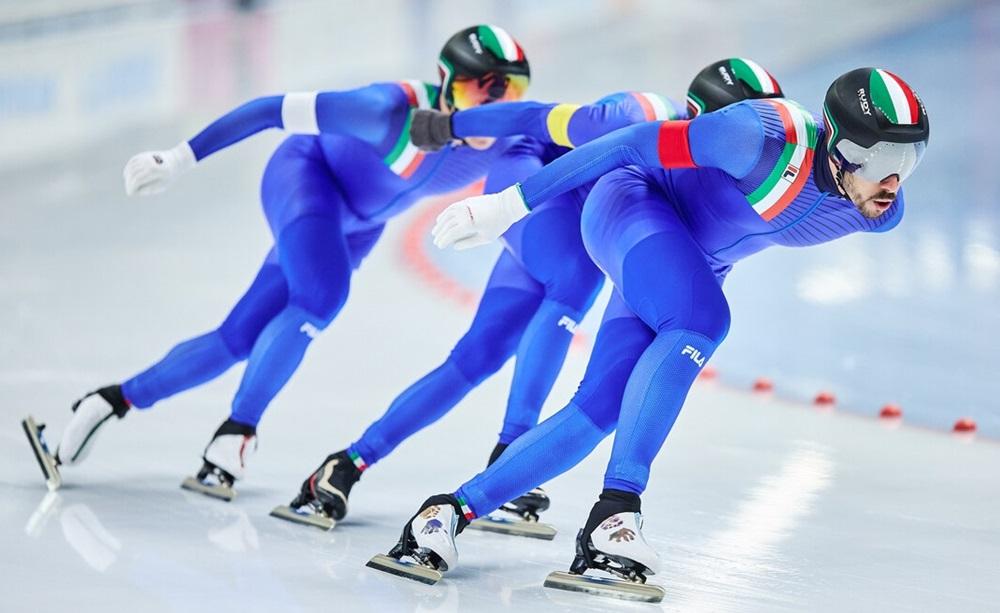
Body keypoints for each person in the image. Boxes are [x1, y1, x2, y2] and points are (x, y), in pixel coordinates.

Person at [372, 67, 929, 601]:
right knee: (702, 320)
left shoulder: (879, 210)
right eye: (880, 158)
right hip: (631, 204)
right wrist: (508, 204)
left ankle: (446, 513)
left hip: (679, 260)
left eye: (910, 158)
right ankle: (615, 513)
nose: (894, 178)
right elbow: (627, 144)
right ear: (836, 144)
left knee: (599, 408)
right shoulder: (757, 136)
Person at [21, 25, 532, 500]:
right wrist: (178, 157)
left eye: (509, 94)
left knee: (238, 337)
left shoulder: (507, 134)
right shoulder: (383, 110)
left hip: (358, 225)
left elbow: (578, 133)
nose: (492, 108)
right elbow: (269, 108)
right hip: (306, 179)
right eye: (477, 91)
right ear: (446, 85)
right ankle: (237, 432)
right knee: (320, 298)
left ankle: (110, 401)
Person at [276, 58, 783, 534]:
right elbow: (535, 118)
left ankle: (345, 464)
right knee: (575, 279)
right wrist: (450, 128)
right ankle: (510, 447)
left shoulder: (729, 164)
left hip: (562, 217)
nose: (762, 153)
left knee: (476, 357)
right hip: (532, 185)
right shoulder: (638, 116)